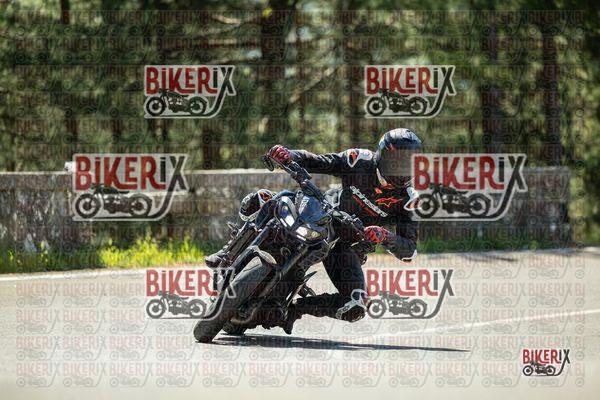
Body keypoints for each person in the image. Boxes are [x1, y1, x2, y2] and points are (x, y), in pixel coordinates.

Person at [205, 128, 422, 333]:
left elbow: (409, 250)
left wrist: (385, 236)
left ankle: (294, 309)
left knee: (355, 305)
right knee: (264, 199)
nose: (402, 169)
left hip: (344, 245)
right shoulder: (359, 160)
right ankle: (227, 254)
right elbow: (318, 161)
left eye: (408, 164)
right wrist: (289, 154)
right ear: (383, 156)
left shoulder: (409, 199)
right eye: (397, 162)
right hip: (320, 212)